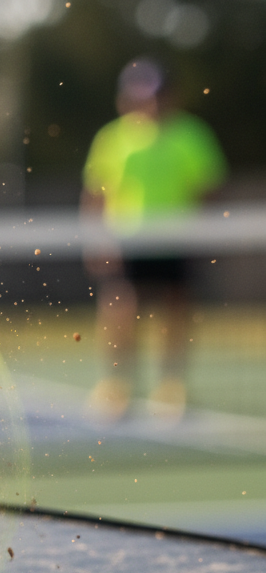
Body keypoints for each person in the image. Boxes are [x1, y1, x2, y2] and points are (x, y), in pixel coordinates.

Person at [81, 58, 227, 421]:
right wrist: (96, 240)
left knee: (176, 313)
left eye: (159, 95)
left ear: (172, 96)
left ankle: (171, 388)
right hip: (127, 244)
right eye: (142, 95)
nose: (152, 103)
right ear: (125, 98)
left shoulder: (192, 135)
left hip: (177, 243)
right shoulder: (112, 138)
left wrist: (204, 236)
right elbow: (95, 194)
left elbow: (209, 190)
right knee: (120, 311)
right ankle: (116, 387)